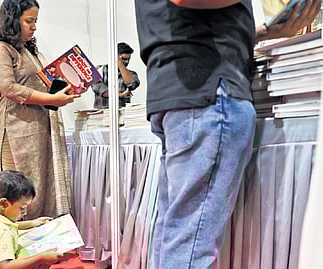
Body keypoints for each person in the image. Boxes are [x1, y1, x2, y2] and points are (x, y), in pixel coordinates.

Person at [133, 0, 321, 268]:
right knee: (189, 241)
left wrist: (261, 32)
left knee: (177, 233)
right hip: (209, 90)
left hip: (181, 91)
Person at [0, 0, 79, 219]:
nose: (34, 26)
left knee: (42, 184)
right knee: (20, 190)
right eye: (29, 21)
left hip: (39, 127)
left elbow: (42, 84)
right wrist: (51, 99)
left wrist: (64, 91)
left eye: (35, 21)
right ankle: (17, 245)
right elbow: (8, 88)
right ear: (11, 20)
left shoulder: (28, 51)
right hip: (18, 131)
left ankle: (41, 235)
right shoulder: (0, 49)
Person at [0, 170, 62, 269]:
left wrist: (32, 223)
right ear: (3, 204)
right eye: (22, 207)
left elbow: (10, 225)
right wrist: (41, 257)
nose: (25, 212)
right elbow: (6, 266)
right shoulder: (2, 232)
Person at [92, 42, 140, 109]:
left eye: (128, 59)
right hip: (102, 114)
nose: (127, 62)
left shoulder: (131, 74)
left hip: (122, 114)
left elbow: (132, 85)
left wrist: (120, 65)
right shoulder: (99, 70)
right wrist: (121, 95)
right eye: (124, 59)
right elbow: (102, 91)